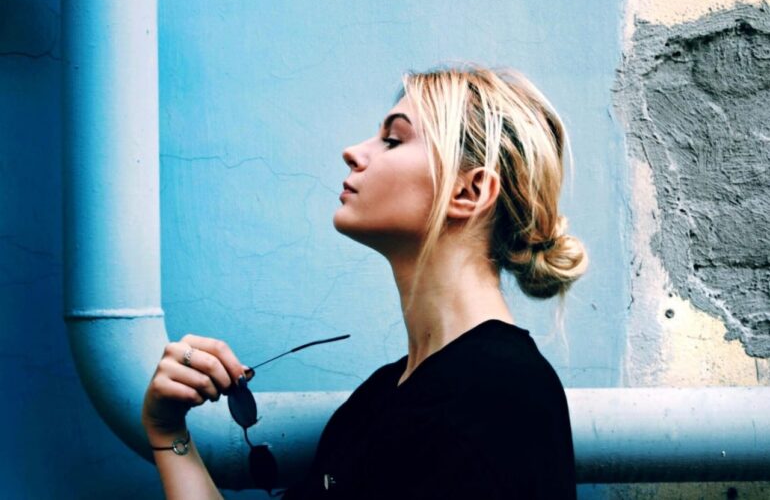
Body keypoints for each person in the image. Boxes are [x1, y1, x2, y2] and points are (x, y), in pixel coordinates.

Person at [142, 64, 589, 499]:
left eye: (393, 140)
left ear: (467, 193)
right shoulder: (378, 398)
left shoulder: (501, 397)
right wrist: (167, 432)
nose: (353, 152)